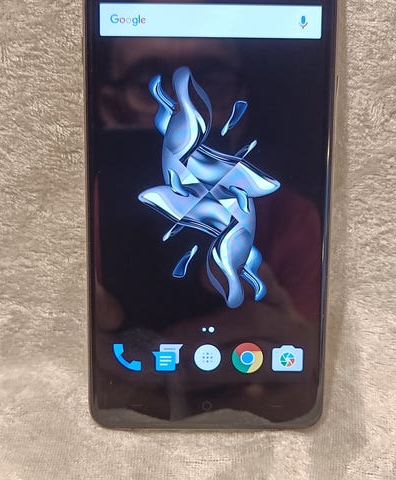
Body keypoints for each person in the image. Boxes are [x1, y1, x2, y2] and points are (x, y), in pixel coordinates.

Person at [92, 36, 324, 421]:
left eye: (211, 78)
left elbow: (299, 367)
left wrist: (296, 377)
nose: (185, 105)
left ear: (240, 107)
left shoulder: (291, 216)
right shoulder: (81, 217)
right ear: (111, 107)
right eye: (149, 80)